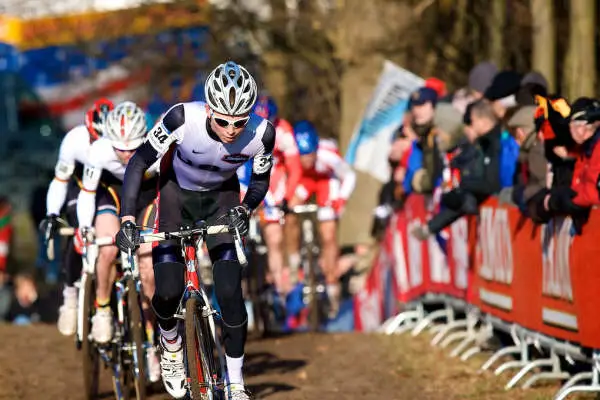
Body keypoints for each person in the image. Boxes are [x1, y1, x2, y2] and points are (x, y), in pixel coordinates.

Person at [115, 61, 273, 400]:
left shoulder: (263, 134)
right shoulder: (181, 119)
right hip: (174, 200)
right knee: (168, 292)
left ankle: (234, 382)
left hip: (222, 202)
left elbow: (260, 181)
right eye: (223, 120)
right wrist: (128, 219)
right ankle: (171, 344)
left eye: (240, 122)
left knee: (230, 293)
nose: (232, 130)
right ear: (209, 109)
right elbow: (139, 161)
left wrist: (247, 209)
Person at [76, 101, 161, 381]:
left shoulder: (157, 151)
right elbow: (88, 194)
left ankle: (153, 340)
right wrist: (84, 228)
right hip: (111, 195)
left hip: (145, 197)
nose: (125, 154)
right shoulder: (98, 151)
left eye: (132, 147)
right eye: (119, 148)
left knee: (148, 270)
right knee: (108, 247)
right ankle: (102, 309)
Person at [40, 99, 114, 335]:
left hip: (107, 186)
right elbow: (60, 182)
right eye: (95, 138)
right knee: (76, 230)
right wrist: (52, 214)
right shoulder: (74, 140)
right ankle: (70, 294)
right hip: (80, 184)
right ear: (88, 129)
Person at [287, 120, 356, 317]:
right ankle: (294, 263)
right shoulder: (292, 157)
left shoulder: (328, 156)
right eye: (303, 157)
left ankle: (332, 284)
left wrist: (341, 199)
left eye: (310, 156)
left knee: (328, 234)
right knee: (290, 211)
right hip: (306, 181)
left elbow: (350, 176)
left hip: (327, 181)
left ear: (317, 150)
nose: (307, 160)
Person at [251, 95, 302, 294]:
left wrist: (288, 197)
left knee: (282, 229)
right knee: (272, 239)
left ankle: (290, 274)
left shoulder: (284, 131)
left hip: (279, 179)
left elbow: (295, 168)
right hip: (257, 179)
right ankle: (278, 287)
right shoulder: (247, 129)